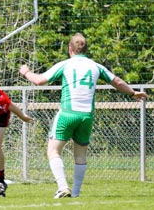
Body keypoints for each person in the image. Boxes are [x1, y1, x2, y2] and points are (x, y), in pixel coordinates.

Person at [19, 32, 148, 199]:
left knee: (53, 150)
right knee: (80, 155)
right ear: (86, 50)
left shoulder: (66, 64)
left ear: (69, 49)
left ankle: (63, 187)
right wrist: (132, 93)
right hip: (87, 116)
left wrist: (26, 72)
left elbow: (39, 81)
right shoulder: (95, 66)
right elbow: (117, 81)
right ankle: (76, 193)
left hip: (67, 113)